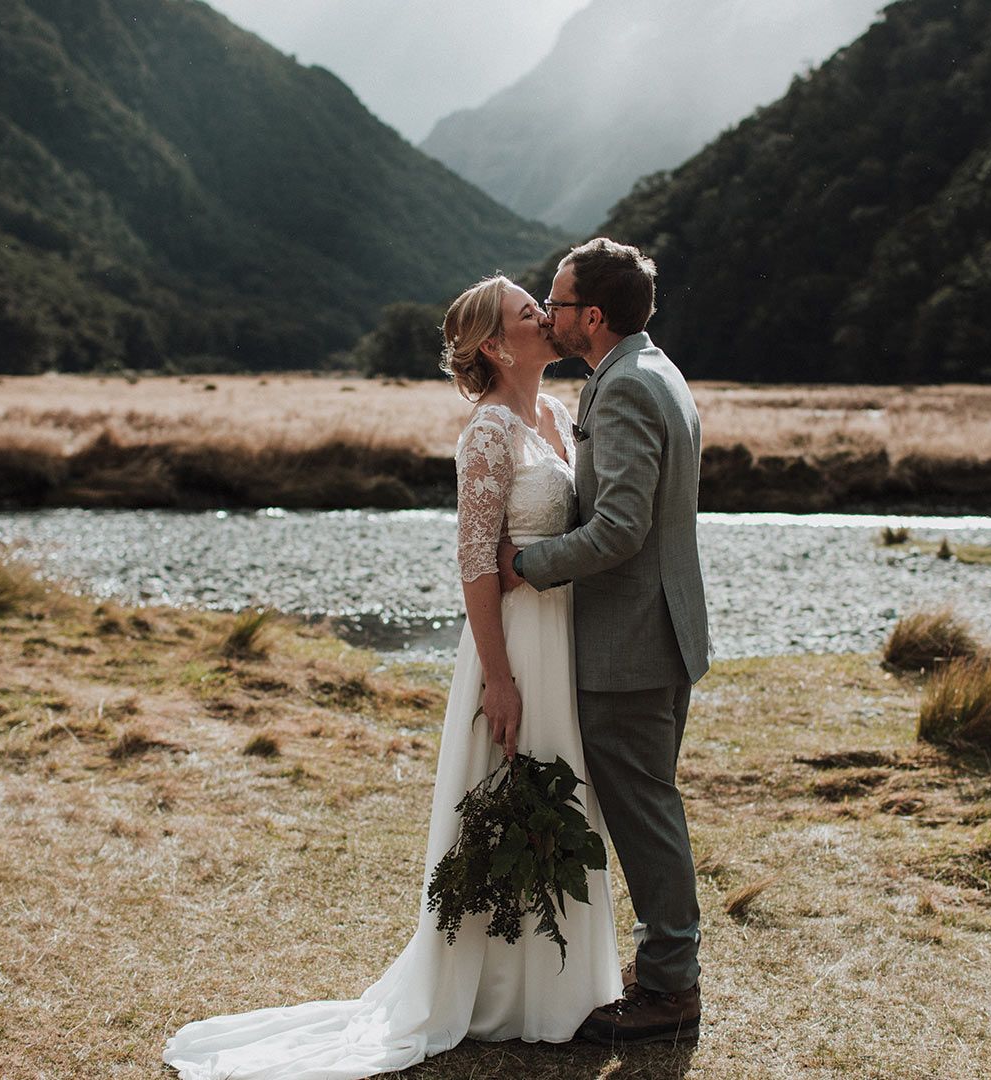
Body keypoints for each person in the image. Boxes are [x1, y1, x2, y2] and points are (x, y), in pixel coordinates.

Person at [161, 275, 619, 1080]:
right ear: (493, 344)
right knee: (505, 791)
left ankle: (557, 991)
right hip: (513, 642)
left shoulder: (554, 416)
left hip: (564, 636)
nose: (545, 318)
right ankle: (490, 990)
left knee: (561, 794)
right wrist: (499, 680)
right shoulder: (486, 433)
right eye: (526, 313)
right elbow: (476, 561)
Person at [498, 236, 709, 1048]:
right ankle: (665, 968)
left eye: (555, 301)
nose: (548, 313)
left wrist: (529, 565)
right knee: (648, 804)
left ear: (591, 314)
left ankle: (668, 989)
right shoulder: (656, 370)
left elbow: (621, 527)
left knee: (645, 813)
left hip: (629, 643)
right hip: (662, 629)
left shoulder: (621, 391)